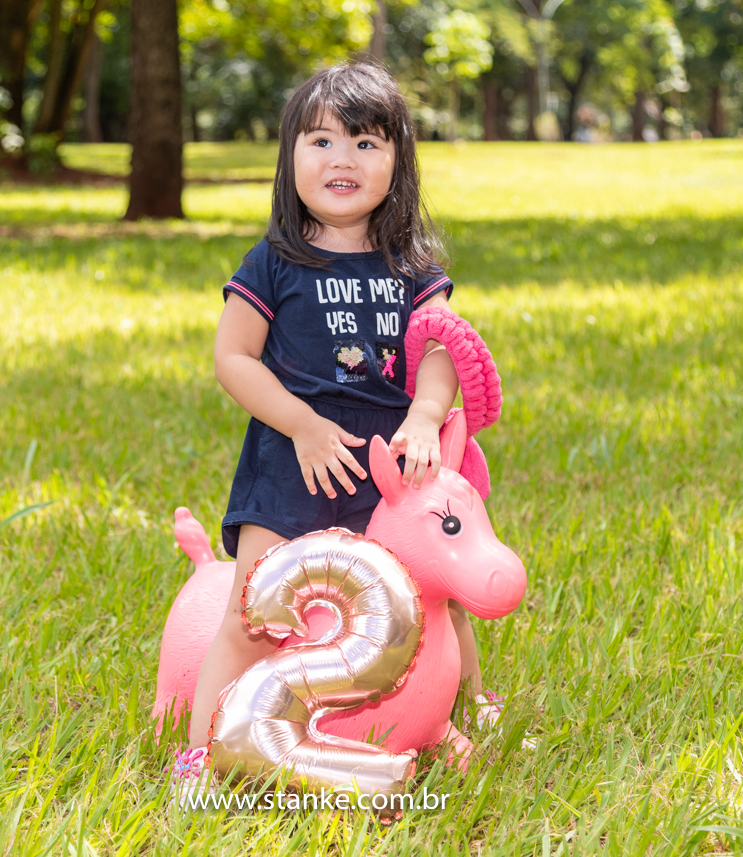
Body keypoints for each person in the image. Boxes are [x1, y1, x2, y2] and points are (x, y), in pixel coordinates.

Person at [174, 63, 501, 792]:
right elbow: (234, 357)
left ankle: (463, 710)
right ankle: (200, 751)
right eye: (320, 141)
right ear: (289, 156)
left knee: (428, 603)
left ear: (398, 161)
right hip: (294, 456)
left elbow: (442, 347)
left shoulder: (414, 267)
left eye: (365, 142)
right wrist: (301, 424)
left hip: (393, 467)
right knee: (253, 611)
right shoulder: (274, 262)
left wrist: (424, 415)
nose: (342, 159)